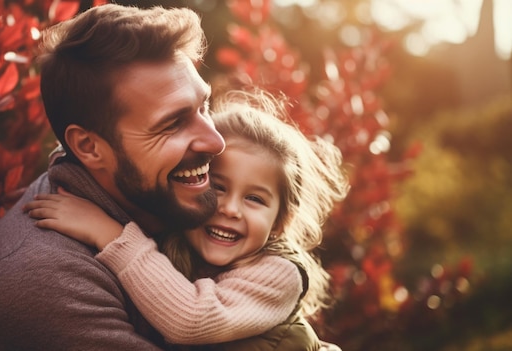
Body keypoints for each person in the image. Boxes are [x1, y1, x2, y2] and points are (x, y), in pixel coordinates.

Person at [0, 4, 226, 350]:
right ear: (89, 147)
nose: (216, 142)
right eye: (172, 124)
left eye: (204, 107)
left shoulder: (156, 194)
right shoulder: (43, 282)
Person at [24, 89, 350, 350]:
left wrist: (109, 234)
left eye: (254, 199)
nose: (231, 209)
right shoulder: (175, 237)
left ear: (281, 222)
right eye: (218, 187)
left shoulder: (278, 275)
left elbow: (191, 319)